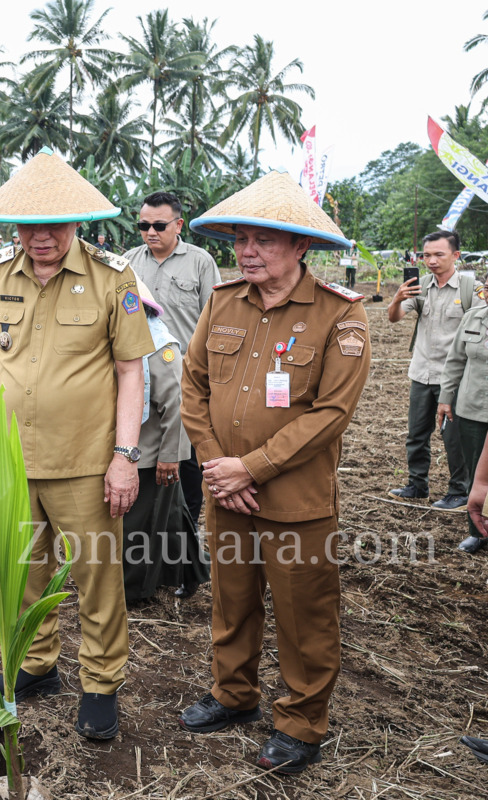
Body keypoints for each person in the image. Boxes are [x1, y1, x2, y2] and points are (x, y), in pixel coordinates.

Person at [177, 171, 371, 774]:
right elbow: (194, 386)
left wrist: (251, 468)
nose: (248, 251)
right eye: (240, 239)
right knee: (231, 602)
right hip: (225, 491)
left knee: (303, 613)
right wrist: (217, 466)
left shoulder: (340, 314)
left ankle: (301, 722)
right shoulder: (223, 301)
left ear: (300, 245)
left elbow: (331, 413)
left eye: (264, 240)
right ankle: (233, 694)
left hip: (295, 500)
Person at [0, 148, 154, 741]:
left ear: (76, 222)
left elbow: (131, 371)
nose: (40, 237)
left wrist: (125, 456)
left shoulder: (111, 277)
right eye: (28, 226)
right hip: (16, 459)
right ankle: (36, 663)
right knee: (23, 570)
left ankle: (100, 682)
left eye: (53, 225)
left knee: (97, 576)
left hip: (86, 462)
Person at [123, 191, 221, 533]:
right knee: (141, 455)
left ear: (178, 225)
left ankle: (184, 535)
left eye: (159, 226)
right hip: (134, 374)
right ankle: (147, 537)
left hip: (187, 378)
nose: (151, 232)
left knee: (187, 461)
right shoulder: (127, 263)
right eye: (144, 226)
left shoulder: (200, 262)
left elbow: (215, 319)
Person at [121, 280, 208, 603]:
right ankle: (191, 572)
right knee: (170, 516)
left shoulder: (160, 346)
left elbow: (177, 406)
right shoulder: (120, 341)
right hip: (130, 448)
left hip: (151, 454)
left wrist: (170, 457)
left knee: (137, 526)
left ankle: (133, 591)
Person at [387, 230, 477, 511]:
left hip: (454, 379)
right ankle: (417, 485)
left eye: (439, 254)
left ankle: (459, 491)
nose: (431, 261)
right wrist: (397, 298)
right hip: (422, 373)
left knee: (453, 438)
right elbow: (394, 317)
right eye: (426, 255)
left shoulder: (471, 289)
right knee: (416, 434)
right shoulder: (420, 285)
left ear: (455, 255)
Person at [438, 282, 488, 553]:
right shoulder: (473, 318)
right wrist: (446, 398)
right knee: (475, 469)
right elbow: (455, 360)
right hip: (472, 409)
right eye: (487, 289)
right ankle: (478, 532)